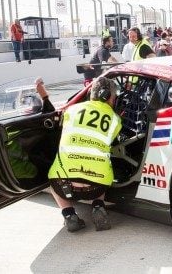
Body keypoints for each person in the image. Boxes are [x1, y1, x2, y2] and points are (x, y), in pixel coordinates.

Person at [47, 76, 122, 232]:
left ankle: (68, 214)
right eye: (114, 97)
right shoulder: (116, 120)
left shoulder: (71, 110)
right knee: (103, 164)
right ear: (107, 96)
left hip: (63, 185)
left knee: (52, 176)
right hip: (96, 187)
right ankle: (98, 206)